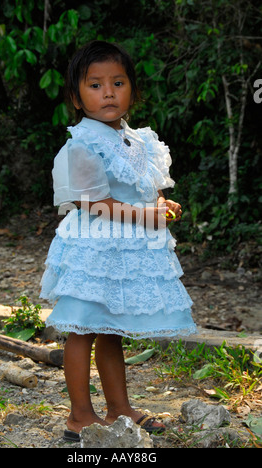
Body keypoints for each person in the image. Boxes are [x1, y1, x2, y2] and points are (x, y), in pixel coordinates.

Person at [40, 40, 197, 442]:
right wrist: (149, 216)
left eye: (118, 82)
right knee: (82, 329)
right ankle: (79, 415)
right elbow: (93, 203)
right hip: (96, 250)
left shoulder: (140, 140)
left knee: (110, 328)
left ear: (133, 90)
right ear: (77, 97)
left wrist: (162, 201)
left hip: (125, 250)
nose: (108, 92)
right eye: (95, 85)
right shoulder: (83, 144)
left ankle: (119, 407)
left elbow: (143, 187)